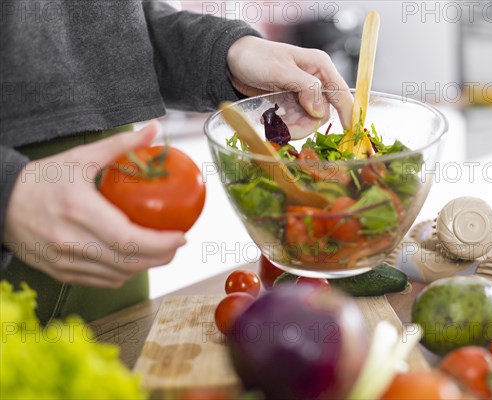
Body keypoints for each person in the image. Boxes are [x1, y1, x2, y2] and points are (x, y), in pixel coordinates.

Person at [0, 0, 353, 324]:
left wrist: (230, 52)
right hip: (20, 208)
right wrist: (7, 190)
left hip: (121, 199)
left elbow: (115, 19)